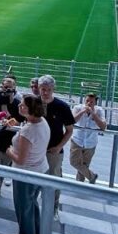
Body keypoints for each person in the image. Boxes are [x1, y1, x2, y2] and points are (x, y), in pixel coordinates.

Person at [5, 94, 50, 234]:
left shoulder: (28, 131)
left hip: (25, 175)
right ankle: (36, 231)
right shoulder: (42, 121)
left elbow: (21, 159)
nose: (19, 106)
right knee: (32, 203)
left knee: (23, 207)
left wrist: (8, 150)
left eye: (23, 105)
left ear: (31, 109)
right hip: (40, 170)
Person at [37, 75, 74, 217]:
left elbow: (69, 130)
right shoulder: (33, 103)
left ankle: (54, 208)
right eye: (42, 89)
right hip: (36, 150)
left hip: (53, 151)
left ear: (53, 89)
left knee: (53, 179)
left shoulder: (62, 106)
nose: (45, 92)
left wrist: (59, 147)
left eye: (48, 89)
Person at [71, 93, 107, 183]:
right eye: (87, 101)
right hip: (77, 140)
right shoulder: (77, 108)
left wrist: (93, 114)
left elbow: (103, 126)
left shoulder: (99, 111)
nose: (89, 103)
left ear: (95, 103)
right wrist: (82, 112)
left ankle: (79, 184)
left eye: (91, 102)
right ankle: (92, 176)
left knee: (84, 165)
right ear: (84, 100)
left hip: (91, 142)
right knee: (74, 162)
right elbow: (71, 121)